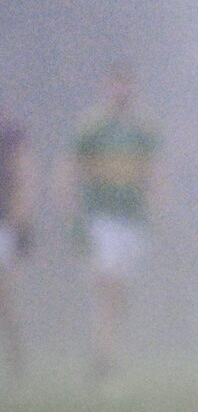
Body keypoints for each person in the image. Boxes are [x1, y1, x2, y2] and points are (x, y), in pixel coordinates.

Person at [57, 65, 162, 380]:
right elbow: (69, 169)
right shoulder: (92, 128)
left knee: (119, 291)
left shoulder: (143, 129)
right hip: (102, 219)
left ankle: (107, 347)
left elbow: (155, 173)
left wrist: (154, 212)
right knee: (108, 287)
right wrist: (72, 215)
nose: (122, 92)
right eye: (117, 85)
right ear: (108, 88)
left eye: (126, 85)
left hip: (132, 220)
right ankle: (102, 356)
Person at [0, 112, 36, 380]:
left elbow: (24, 175)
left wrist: (22, 221)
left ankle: (16, 356)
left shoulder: (10, 133)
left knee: (3, 294)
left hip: (4, 222)